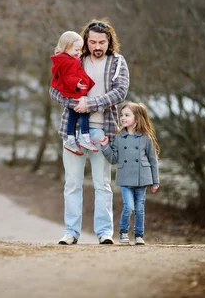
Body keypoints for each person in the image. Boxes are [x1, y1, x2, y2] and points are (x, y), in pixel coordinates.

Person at [49, 19, 129, 245]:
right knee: (72, 183)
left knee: (102, 183)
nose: (97, 46)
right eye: (92, 41)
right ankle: (71, 232)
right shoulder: (74, 59)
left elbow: (120, 92)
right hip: (73, 132)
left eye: (101, 42)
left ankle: (104, 233)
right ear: (85, 41)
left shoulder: (117, 62)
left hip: (103, 131)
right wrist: (75, 102)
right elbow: (53, 90)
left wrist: (90, 105)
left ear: (109, 41)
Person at [98, 102, 160, 246]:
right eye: (121, 115)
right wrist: (105, 146)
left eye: (127, 115)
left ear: (137, 119)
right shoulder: (119, 137)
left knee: (140, 208)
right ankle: (123, 232)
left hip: (142, 178)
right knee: (129, 207)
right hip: (125, 178)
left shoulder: (146, 137)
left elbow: (153, 160)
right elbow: (113, 159)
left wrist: (155, 181)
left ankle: (139, 235)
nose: (122, 118)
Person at [50, 31, 99, 155]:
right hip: (72, 90)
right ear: (66, 47)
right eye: (76, 49)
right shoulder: (69, 61)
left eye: (80, 49)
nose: (79, 52)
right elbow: (67, 77)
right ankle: (84, 137)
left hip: (69, 90)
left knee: (73, 114)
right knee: (83, 112)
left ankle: (71, 139)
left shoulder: (65, 58)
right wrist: (76, 83)